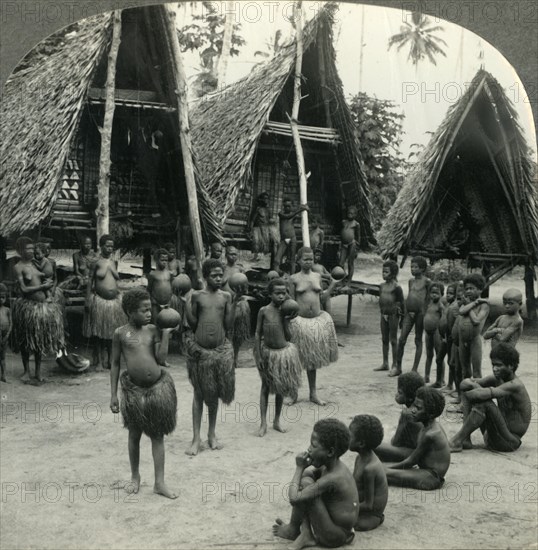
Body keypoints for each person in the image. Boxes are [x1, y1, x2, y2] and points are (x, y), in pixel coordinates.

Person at [110, 289, 178, 499]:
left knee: (157, 435)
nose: (150, 313)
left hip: (156, 389)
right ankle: (135, 477)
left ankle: (159, 482)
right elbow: (114, 364)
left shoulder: (152, 331)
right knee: (134, 434)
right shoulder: (120, 333)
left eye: (151, 309)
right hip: (134, 391)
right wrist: (113, 395)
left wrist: (165, 335)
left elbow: (160, 358)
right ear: (130, 311)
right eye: (144, 310)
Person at [183, 259, 242, 455]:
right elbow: (192, 323)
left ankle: (211, 434)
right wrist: (185, 305)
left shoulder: (226, 296)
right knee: (199, 394)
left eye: (220, 275)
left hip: (219, 352)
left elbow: (228, 325)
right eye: (214, 275)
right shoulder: (197, 296)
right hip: (201, 352)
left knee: (214, 395)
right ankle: (195, 438)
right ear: (205, 277)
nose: (218, 278)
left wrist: (234, 304)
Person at [272, 419, 358, 550]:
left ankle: (301, 533)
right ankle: (297, 530)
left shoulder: (334, 477)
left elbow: (294, 499)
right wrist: (305, 470)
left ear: (330, 452)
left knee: (306, 484)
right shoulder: (331, 466)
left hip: (335, 536)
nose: (309, 449)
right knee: (307, 477)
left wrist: (299, 468)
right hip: (334, 526)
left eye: (313, 445)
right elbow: (308, 477)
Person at [449, 343, 531, 453]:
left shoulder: (515, 385)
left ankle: (456, 441)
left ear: (511, 366)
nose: (494, 369)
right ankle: (465, 440)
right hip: (494, 434)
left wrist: (474, 388)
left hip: (508, 441)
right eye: (493, 365)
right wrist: (473, 387)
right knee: (472, 392)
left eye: (498, 365)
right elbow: (463, 384)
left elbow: (478, 394)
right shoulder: (497, 379)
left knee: (484, 403)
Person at [288, 247, 338, 406]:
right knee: (296, 360)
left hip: (316, 322)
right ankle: (293, 393)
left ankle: (313, 393)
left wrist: (333, 286)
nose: (308, 262)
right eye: (305, 259)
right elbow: (289, 301)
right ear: (298, 260)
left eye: (311, 259)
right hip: (299, 322)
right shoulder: (293, 279)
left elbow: (322, 297)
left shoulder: (317, 276)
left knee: (312, 360)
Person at [11, 237, 64, 383]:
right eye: (28, 249)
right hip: (28, 307)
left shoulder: (36, 264)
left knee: (38, 341)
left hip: (41, 307)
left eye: (32, 249)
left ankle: (38, 372)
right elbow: (24, 289)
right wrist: (42, 287)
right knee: (26, 341)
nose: (31, 251)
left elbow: (48, 278)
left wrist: (49, 286)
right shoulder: (18, 267)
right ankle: (26, 371)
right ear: (21, 250)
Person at [254, 278, 302, 437]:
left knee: (280, 388)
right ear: (270, 294)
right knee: (265, 387)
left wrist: (286, 321)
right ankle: (263, 423)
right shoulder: (263, 311)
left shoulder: (285, 312)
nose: (281, 296)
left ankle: (276, 420)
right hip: (267, 353)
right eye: (278, 293)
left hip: (282, 354)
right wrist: (258, 355)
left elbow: (288, 337)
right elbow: (257, 333)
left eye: (284, 293)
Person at [385, 387, 450, 490]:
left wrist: (389, 468)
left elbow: (411, 461)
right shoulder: (428, 426)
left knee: (383, 473)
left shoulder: (431, 434)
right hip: (424, 471)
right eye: (414, 405)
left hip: (431, 478)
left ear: (431, 414)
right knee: (383, 469)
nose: (413, 410)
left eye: (419, 408)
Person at [83, 235, 127, 372]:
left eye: (112, 246)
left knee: (112, 333)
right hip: (100, 302)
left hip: (114, 303)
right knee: (98, 333)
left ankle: (109, 360)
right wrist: (88, 299)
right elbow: (90, 280)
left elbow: (115, 280)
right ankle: (100, 362)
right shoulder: (96, 262)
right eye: (107, 246)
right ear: (101, 246)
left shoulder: (114, 262)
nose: (110, 248)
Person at [390, 256, 431, 377]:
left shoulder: (427, 282)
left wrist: (423, 312)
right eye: (411, 267)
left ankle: (414, 369)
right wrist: (405, 312)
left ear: (422, 269)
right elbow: (410, 297)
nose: (412, 269)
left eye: (415, 267)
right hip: (409, 313)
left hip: (420, 314)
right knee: (401, 339)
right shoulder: (410, 281)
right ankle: (398, 367)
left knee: (418, 340)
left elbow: (428, 299)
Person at [349, 415, 388, 532]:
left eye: (349, 436)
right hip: (359, 506)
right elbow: (353, 485)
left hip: (370, 515)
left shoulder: (370, 469)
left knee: (338, 519)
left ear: (361, 444)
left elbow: (368, 505)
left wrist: (346, 505)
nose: (345, 438)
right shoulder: (359, 458)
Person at [376, 371, 425, 462]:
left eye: (400, 392)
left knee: (373, 445)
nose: (396, 395)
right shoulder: (420, 409)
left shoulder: (407, 414)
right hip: (416, 452)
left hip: (412, 455)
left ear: (410, 398)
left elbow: (395, 443)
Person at [222, 246, 250, 369]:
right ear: (226, 255)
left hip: (239, 303)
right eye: (230, 254)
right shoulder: (222, 269)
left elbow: (246, 287)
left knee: (238, 334)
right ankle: (226, 357)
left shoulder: (240, 269)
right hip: (226, 304)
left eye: (235, 254)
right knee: (226, 332)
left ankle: (236, 357)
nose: (233, 256)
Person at [374, 260, 404, 372]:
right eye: (382, 271)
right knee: (384, 339)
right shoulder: (381, 286)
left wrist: (402, 318)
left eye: (386, 272)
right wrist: (382, 312)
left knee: (393, 340)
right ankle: (385, 363)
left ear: (393, 273)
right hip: (384, 315)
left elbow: (402, 303)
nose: (383, 274)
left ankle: (394, 364)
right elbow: (381, 300)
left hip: (393, 315)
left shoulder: (397, 287)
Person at [458, 274, 490, 379]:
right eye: (466, 289)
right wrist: (472, 303)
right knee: (465, 371)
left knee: (476, 372)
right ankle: (466, 394)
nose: (468, 291)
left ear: (480, 290)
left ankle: (477, 394)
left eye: (472, 288)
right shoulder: (466, 303)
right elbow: (461, 311)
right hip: (462, 341)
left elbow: (476, 321)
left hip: (474, 341)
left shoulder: (483, 305)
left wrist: (472, 305)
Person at [273, 199, 308, 273]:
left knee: (292, 259)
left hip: (292, 238)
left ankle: (292, 276)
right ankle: (276, 273)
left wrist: (305, 209)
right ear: (283, 207)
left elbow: (304, 216)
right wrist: (300, 210)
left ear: (291, 207)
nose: (287, 208)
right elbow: (288, 216)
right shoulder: (281, 213)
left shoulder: (293, 215)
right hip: (284, 239)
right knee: (277, 259)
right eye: (285, 206)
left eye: (289, 206)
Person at [435, 282, 457, 390]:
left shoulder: (454, 307)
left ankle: (450, 384)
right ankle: (439, 381)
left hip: (449, 338)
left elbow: (453, 323)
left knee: (451, 362)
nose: (448, 295)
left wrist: (449, 336)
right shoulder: (446, 305)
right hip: (444, 337)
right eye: (447, 293)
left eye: (451, 293)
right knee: (439, 359)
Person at [423, 282, 445, 384]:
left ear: (441, 294)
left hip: (437, 331)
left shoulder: (440, 306)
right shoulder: (429, 304)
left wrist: (442, 332)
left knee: (439, 355)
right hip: (428, 332)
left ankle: (441, 379)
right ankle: (426, 376)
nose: (434, 295)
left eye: (436, 293)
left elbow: (444, 319)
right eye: (432, 293)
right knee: (428, 354)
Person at [147, 248, 174, 324]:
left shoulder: (169, 274)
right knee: (155, 323)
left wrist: (170, 300)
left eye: (166, 260)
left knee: (167, 323)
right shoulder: (153, 274)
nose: (164, 262)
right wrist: (153, 301)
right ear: (156, 260)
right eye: (162, 260)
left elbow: (171, 287)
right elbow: (149, 289)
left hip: (168, 303)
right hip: (156, 304)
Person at [250, 192, 279, 262]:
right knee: (256, 240)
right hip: (258, 228)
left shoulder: (268, 210)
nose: (266, 200)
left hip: (266, 228)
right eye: (265, 198)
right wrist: (250, 230)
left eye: (267, 199)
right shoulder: (258, 209)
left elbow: (269, 220)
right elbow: (252, 220)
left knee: (275, 240)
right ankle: (255, 256)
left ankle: (274, 257)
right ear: (261, 200)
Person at [338, 205, 360, 283]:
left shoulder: (356, 224)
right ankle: (343, 277)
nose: (349, 214)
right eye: (348, 213)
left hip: (352, 244)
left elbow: (358, 236)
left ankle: (349, 280)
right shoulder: (343, 222)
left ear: (355, 215)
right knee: (341, 263)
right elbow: (341, 232)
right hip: (344, 244)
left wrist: (357, 248)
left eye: (352, 213)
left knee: (350, 262)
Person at [312, 248, 332, 316]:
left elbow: (329, 274)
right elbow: (318, 275)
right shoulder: (312, 266)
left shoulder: (321, 266)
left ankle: (328, 315)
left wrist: (326, 275)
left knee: (327, 305)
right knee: (320, 305)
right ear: (312, 255)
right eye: (316, 255)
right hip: (318, 285)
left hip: (325, 285)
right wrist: (325, 276)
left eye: (319, 256)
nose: (318, 257)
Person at [0, 283, 12, 383]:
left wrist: (7, 335)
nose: (1, 299)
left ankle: (3, 375)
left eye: (2, 297)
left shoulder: (7, 310)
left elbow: (11, 323)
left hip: (5, 336)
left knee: (3, 357)